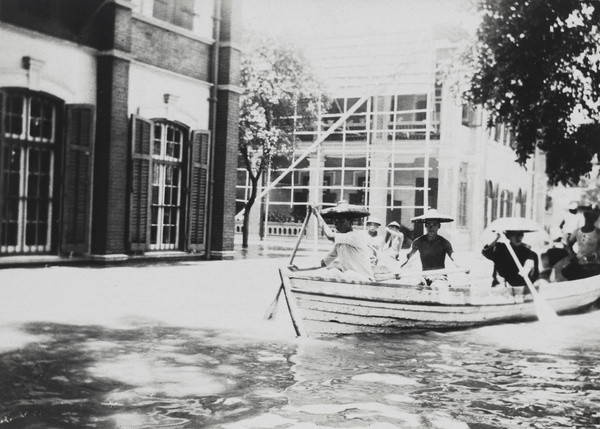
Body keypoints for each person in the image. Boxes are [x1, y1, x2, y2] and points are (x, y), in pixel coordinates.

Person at [310, 200, 374, 281]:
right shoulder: (339, 243)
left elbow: (330, 236)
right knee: (332, 272)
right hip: (351, 282)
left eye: (341, 221)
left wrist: (317, 214)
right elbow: (325, 262)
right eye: (335, 222)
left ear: (350, 222)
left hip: (365, 280)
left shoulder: (355, 236)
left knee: (348, 274)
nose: (338, 225)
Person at [401, 209, 460, 287]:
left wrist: (461, 266)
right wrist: (397, 268)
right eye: (428, 224)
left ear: (439, 226)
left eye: (434, 224)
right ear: (425, 225)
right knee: (414, 283)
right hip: (424, 275)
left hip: (439, 276)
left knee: (437, 287)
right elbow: (407, 257)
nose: (431, 227)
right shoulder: (418, 241)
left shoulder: (444, 243)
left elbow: (454, 257)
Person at [561, 204, 600, 280]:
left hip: (593, 264)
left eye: (592, 216)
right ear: (585, 216)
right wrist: (573, 255)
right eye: (587, 215)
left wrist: (593, 256)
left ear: (595, 218)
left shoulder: (598, 233)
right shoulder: (577, 231)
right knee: (566, 271)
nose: (589, 218)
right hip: (579, 262)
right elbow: (569, 245)